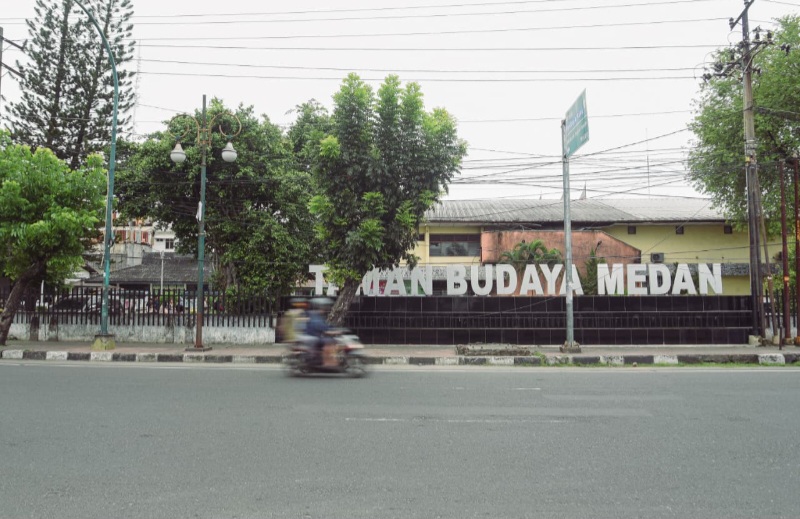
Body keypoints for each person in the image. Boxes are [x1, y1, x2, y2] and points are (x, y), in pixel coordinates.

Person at [305, 297, 336, 366]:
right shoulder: (314, 315)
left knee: (331, 340)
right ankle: (327, 361)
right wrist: (329, 331)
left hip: (316, 336)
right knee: (329, 341)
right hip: (314, 337)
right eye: (324, 307)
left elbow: (325, 326)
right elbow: (320, 327)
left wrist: (333, 329)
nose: (325, 309)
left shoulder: (318, 315)